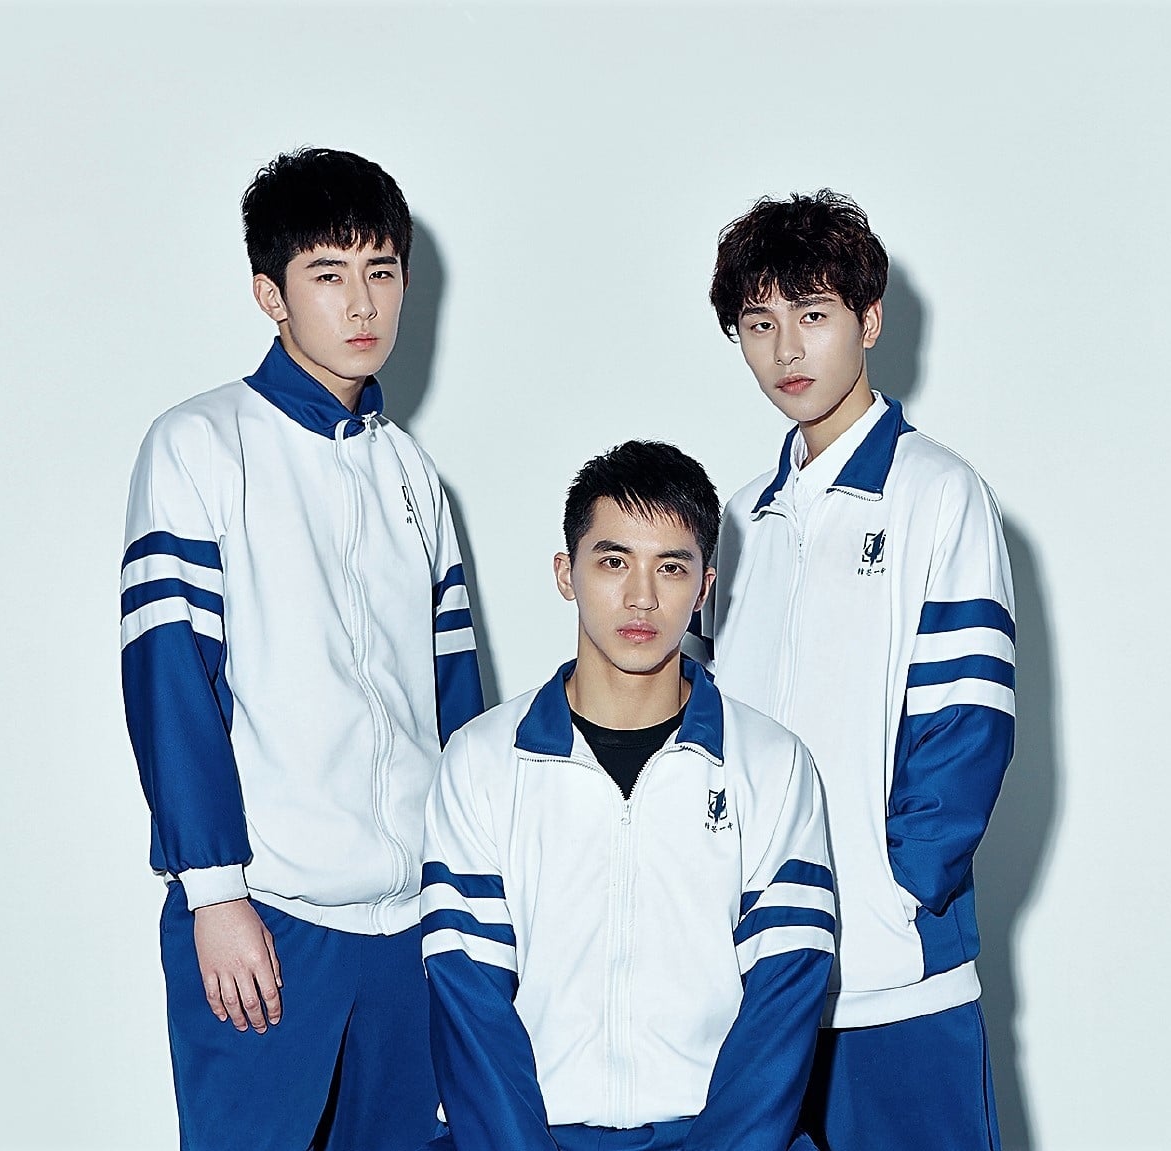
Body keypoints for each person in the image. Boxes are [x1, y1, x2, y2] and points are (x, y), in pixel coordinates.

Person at [119, 147, 484, 1150]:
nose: (362, 303)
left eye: (381, 270)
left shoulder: (415, 476)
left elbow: (455, 703)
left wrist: (470, 898)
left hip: (412, 928)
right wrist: (215, 893)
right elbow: (171, 684)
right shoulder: (199, 444)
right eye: (328, 274)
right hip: (269, 917)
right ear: (269, 294)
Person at [701, 190, 1015, 1151]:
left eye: (812, 314)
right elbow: (702, 729)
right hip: (753, 983)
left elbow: (967, 724)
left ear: (868, 320)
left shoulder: (939, 494)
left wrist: (897, 893)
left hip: (893, 980)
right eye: (759, 323)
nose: (786, 349)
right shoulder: (736, 519)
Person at [419, 440, 833, 1151]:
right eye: (613, 562)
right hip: (532, 1135)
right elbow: (469, 998)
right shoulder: (481, 760)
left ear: (703, 588)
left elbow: (783, 994)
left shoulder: (772, 763)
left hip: (711, 1133)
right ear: (566, 574)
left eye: (671, 567)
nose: (642, 596)